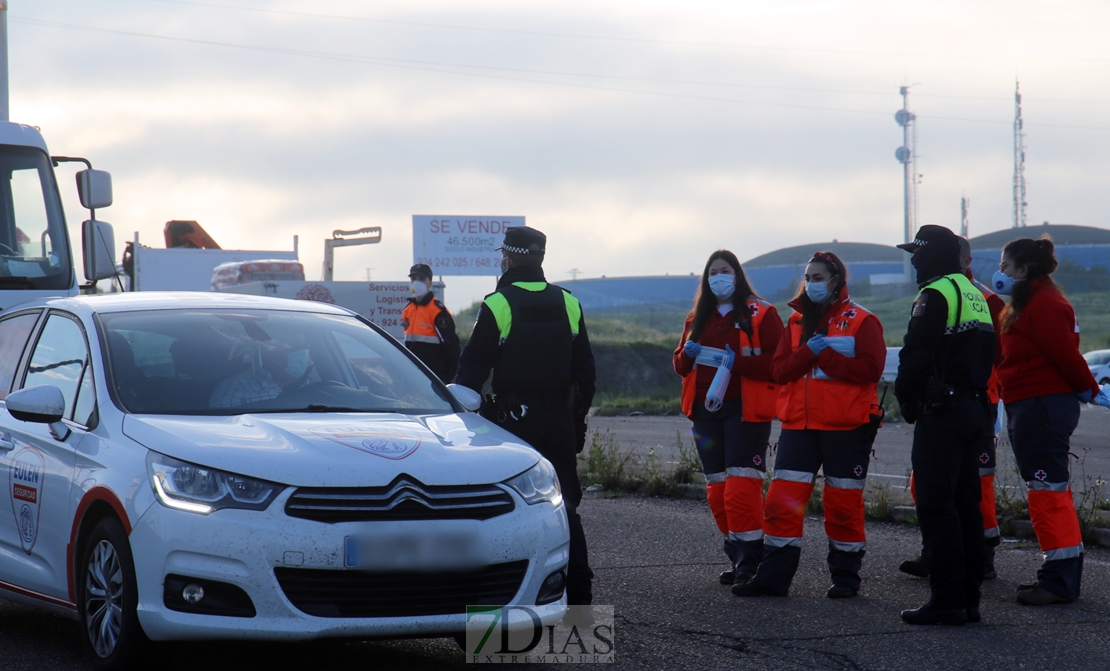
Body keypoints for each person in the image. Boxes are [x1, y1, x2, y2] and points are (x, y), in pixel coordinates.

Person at [456, 226, 596, 605]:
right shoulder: (568, 302)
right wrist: (576, 421)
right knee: (566, 505)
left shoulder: (499, 304)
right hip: (561, 421)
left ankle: (511, 602)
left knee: (511, 509)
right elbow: (586, 373)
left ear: (509, 258)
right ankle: (580, 602)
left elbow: (470, 374)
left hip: (516, 425)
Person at [732, 250, 884, 599]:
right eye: (808, 277)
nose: (811, 283)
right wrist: (807, 352)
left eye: (818, 278)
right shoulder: (796, 323)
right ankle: (773, 578)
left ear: (836, 282)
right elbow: (780, 370)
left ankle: (846, 578)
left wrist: (823, 354)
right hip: (798, 426)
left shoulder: (862, 320)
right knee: (781, 501)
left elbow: (869, 371)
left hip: (846, 426)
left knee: (843, 504)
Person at [894, 225, 996, 626]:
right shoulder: (973, 293)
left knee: (937, 505)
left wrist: (907, 397)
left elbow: (917, 353)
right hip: (973, 407)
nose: (913, 261)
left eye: (916, 253)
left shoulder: (935, 294)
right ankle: (968, 599)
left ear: (930, 255)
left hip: (943, 410)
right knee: (966, 505)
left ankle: (948, 598)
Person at [994, 235, 1098, 606]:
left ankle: (1058, 580)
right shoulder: (1027, 303)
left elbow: (1066, 356)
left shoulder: (1045, 305)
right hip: (1031, 404)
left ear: (1024, 269)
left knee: (1048, 493)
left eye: (1006, 266)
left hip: (1042, 406)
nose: (1000, 272)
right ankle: (1059, 575)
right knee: (1048, 492)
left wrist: (1089, 388)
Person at [673, 250, 784, 586]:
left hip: (744, 408)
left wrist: (738, 363)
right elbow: (679, 365)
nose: (718, 277)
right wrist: (686, 355)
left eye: (725, 270)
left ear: (737, 275)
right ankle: (740, 553)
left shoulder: (762, 314)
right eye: (712, 272)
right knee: (718, 490)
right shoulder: (697, 317)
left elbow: (778, 364)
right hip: (705, 410)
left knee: (741, 486)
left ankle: (750, 562)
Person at [402, 263, 460, 383]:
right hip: (414, 374)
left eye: (422, 279)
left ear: (430, 283)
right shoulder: (408, 310)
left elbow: (452, 348)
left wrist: (446, 379)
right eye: (413, 279)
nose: (417, 283)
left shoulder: (438, 311)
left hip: (435, 376)